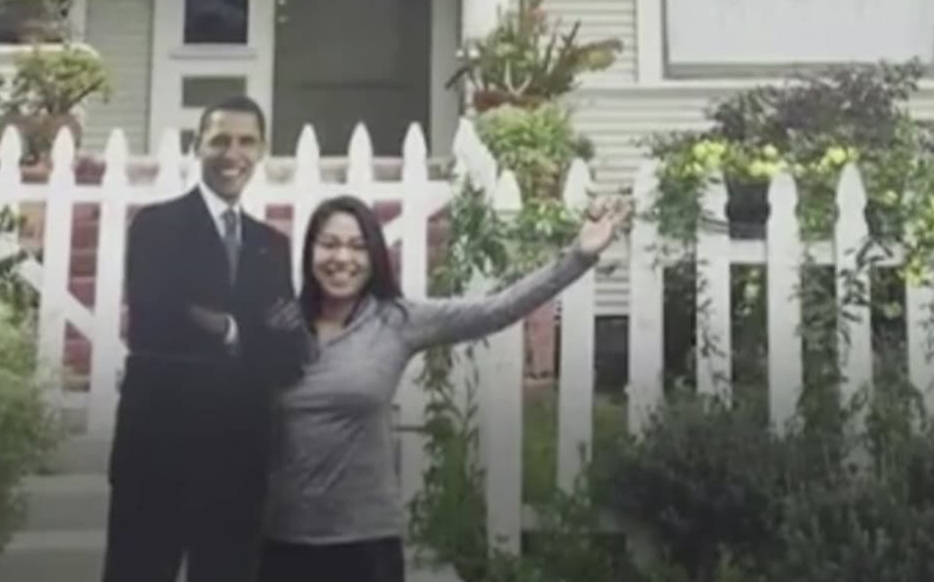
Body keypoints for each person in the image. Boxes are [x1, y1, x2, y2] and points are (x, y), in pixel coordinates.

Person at [257, 194, 629, 582]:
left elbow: (496, 310)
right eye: (329, 244)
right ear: (310, 251)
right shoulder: (278, 324)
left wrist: (578, 257)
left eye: (357, 246)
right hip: (281, 539)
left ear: (374, 257)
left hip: (364, 543)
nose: (342, 258)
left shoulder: (397, 322)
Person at [102, 95, 310, 582]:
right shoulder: (156, 226)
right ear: (198, 146)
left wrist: (225, 327)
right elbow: (158, 321)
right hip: (156, 452)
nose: (232, 154)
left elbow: (288, 356)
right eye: (219, 141)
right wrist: (252, 330)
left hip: (240, 457)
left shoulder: (272, 245)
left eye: (246, 142)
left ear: (262, 151)